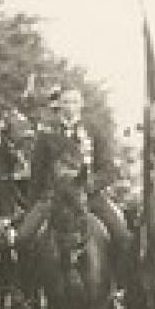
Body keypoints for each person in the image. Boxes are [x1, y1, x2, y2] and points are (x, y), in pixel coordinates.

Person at [23, 86, 132, 291]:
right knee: (23, 238)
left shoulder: (95, 131)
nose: (70, 107)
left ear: (81, 105)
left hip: (89, 197)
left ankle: (117, 289)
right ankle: (29, 293)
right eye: (66, 102)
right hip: (53, 199)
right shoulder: (46, 134)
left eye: (74, 102)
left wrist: (90, 185)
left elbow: (108, 169)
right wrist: (32, 205)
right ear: (59, 105)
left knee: (122, 236)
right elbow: (36, 174)